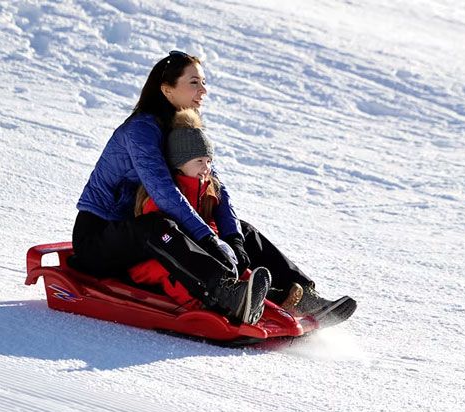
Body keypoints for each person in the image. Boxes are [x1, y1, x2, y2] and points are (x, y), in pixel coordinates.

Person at [70, 51, 348, 327]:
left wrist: (234, 240)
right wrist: (208, 239)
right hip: (101, 238)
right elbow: (164, 193)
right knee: (159, 226)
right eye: (194, 82)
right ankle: (227, 293)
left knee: (241, 228)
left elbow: (216, 187)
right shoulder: (140, 130)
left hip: (144, 229)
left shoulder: (182, 128)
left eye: (204, 82)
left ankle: (301, 295)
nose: (204, 90)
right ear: (167, 90)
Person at [127, 109, 302, 316]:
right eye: (199, 162)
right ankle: (214, 302)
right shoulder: (164, 194)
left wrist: (226, 246)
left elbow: (210, 225)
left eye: (209, 161)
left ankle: (264, 295)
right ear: (179, 164)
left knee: (227, 252)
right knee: (191, 265)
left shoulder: (206, 190)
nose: (206, 168)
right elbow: (162, 237)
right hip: (159, 262)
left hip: (194, 259)